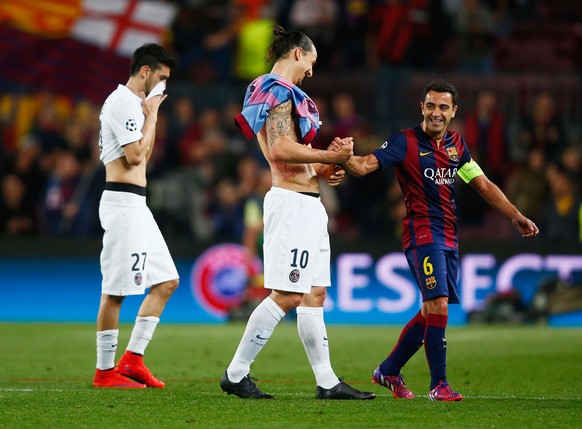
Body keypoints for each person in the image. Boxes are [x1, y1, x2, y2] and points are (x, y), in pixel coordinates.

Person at [339, 79, 538, 401]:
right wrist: (342, 157)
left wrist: (515, 215)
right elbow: (363, 167)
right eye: (430, 105)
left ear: (453, 111)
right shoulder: (404, 142)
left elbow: (483, 184)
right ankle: (439, 385)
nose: (436, 112)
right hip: (421, 233)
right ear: (422, 107)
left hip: (448, 236)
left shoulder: (457, 145)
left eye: (443, 107)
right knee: (438, 304)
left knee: (432, 310)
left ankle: (388, 370)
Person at [219, 25, 375, 400]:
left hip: (308, 203)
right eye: (311, 62)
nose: (312, 71)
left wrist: (325, 167)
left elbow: (294, 156)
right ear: (297, 54)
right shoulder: (275, 90)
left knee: (314, 293)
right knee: (288, 293)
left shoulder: (280, 93)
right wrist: (328, 155)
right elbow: (278, 150)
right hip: (290, 205)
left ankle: (326, 382)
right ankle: (236, 373)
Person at [93, 43, 179, 389]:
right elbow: (134, 157)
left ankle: (132, 360)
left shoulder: (137, 106)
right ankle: (104, 372)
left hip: (137, 204)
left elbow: (144, 155)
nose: (162, 85)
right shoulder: (121, 103)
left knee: (166, 281)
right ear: (145, 71)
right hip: (121, 204)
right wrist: (153, 114)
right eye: (161, 77)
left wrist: (150, 113)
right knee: (116, 291)